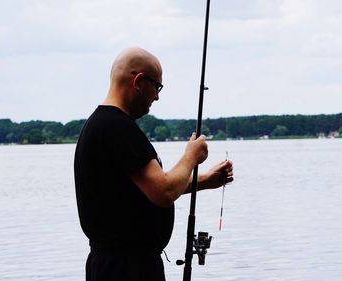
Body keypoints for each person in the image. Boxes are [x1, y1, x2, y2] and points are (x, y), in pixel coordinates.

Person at [74, 47, 234, 281]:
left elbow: (149, 188)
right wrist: (191, 156)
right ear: (139, 81)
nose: (157, 97)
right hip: (127, 269)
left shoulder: (102, 125)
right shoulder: (117, 128)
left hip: (115, 266)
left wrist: (204, 181)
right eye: (157, 87)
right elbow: (164, 191)